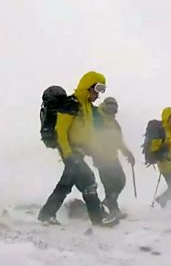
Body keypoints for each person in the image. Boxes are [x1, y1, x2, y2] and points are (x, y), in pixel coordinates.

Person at [37, 71, 117, 226]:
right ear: (88, 86)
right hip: (70, 151)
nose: (98, 94)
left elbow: (84, 131)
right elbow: (61, 131)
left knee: (68, 184)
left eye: (102, 90)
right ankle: (98, 218)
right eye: (97, 89)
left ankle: (47, 214)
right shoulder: (71, 104)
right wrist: (67, 154)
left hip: (77, 152)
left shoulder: (86, 106)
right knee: (89, 182)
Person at [92, 97, 134, 219]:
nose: (111, 109)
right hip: (101, 158)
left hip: (113, 157)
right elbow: (91, 136)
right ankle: (114, 210)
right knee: (109, 185)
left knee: (121, 181)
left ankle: (109, 201)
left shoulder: (115, 124)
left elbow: (119, 141)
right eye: (109, 106)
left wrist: (128, 153)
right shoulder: (98, 119)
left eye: (114, 108)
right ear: (105, 106)